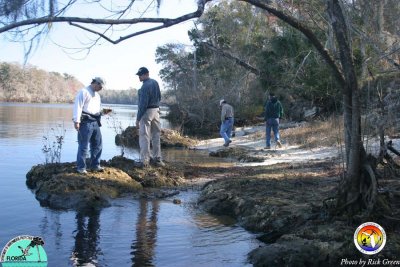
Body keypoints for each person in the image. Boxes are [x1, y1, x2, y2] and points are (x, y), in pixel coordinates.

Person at [72, 77, 112, 174]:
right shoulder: (84, 92)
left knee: (97, 144)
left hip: (95, 122)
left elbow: (95, 111)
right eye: (101, 86)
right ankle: (81, 168)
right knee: (83, 145)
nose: (101, 89)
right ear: (96, 83)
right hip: (85, 122)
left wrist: (103, 112)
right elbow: (78, 106)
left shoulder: (97, 96)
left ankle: (95, 165)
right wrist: (76, 121)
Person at [134, 67, 164, 168]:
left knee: (144, 136)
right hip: (156, 110)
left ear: (146, 74)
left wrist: (138, 119)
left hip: (147, 111)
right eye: (138, 75)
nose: (139, 77)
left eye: (140, 75)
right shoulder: (155, 82)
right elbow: (159, 97)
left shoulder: (144, 87)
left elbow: (143, 104)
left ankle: (145, 161)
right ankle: (157, 158)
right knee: (156, 135)